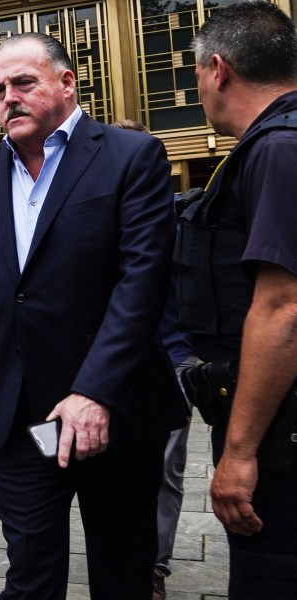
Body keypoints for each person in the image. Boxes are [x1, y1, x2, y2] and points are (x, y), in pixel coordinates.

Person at [0, 32, 187, 599]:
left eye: (23, 83)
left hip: (114, 414)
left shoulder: (130, 156)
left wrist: (96, 391)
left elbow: (142, 283)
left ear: (67, 82)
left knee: (122, 570)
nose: (9, 98)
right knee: (30, 573)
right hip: (21, 418)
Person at [177, 2, 297, 596]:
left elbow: (284, 309)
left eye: (195, 72)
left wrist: (239, 452)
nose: (196, 87)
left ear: (217, 69)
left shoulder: (277, 149)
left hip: (283, 448)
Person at [111, 119, 199, 600]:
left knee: (164, 470)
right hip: (104, 367)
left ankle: (153, 566)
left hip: (169, 362)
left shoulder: (180, 217)